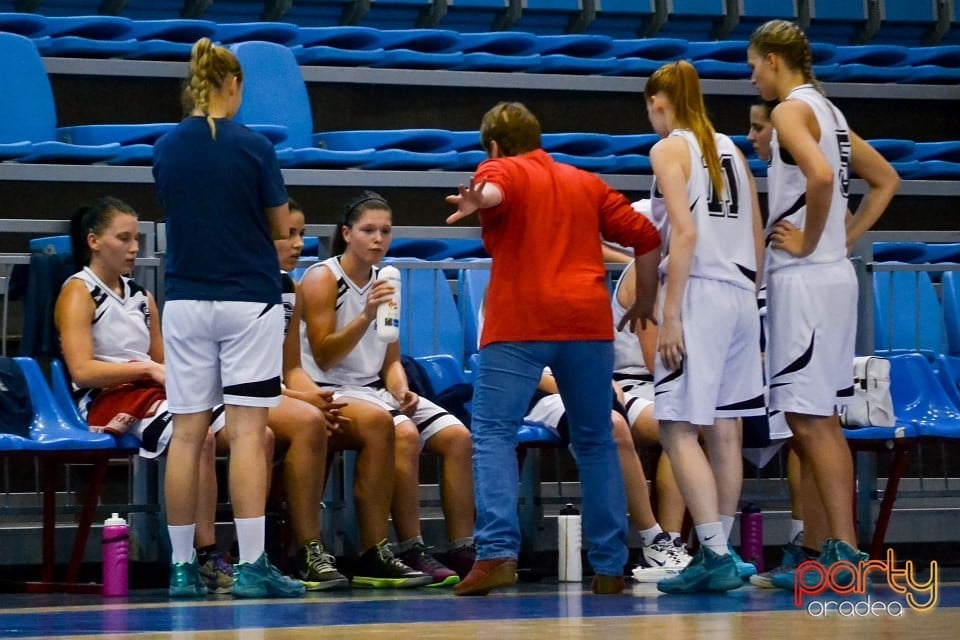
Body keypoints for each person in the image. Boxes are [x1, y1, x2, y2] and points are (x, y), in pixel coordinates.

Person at [444, 101, 661, 596]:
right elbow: (647, 237)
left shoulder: (500, 168)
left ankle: (497, 553)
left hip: (520, 320)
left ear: (495, 145)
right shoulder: (586, 182)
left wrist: (481, 199)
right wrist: (645, 298)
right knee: (596, 441)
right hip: (586, 322)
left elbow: (497, 188)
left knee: (494, 433)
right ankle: (609, 567)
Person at [747, 19, 899, 585]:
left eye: (753, 66)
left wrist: (813, 239)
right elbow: (886, 180)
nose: (752, 78)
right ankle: (813, 549)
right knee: (812, 417)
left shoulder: (790, 109)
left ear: (773, 61)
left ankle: (844, 552)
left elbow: (817, 178)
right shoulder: (831, 112)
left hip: (806, 277)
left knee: (811, 421)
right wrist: (844, 236)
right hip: (833, 276)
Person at [152, 37, 304, 598]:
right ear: (233, 85)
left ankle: (180, 567)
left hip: (186, 299)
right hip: (247, 298)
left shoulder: (167, 147)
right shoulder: (255, 146)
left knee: (187, 436)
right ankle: (252, 565)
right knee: (246, 434)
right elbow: (280, 224)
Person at [54, 196, 236, 596]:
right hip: (106, 397)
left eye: (137, 238)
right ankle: (195, 556)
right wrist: (145, 370)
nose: (135, 247)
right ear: (94, 241)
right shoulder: (78, 292)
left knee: (257, 434)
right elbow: (82, 370)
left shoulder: (142, 297)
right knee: (199, 436)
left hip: (151, 390)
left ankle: (257, 551)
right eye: (124, 238)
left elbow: (163, 362)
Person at [298, 191, 475, 588]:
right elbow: (325, 355)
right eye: (368, 230)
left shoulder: (386, 279)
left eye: (385, 231)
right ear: (346, 234)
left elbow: (391, 358)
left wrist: (401, 389)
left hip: (375, 388)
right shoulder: (322, 278)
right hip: (330, 388)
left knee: (458, 437)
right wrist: (365, 314)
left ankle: (464, 548)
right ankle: (408, 546)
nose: (378, 239)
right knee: (405, 433)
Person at [640, 61, 766, 594]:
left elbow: (684, 233)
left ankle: (712, 552)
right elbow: (757, 240)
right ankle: (725, 549)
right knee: (725, 428)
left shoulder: (669, 148)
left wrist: (671, 315)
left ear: (659, 103)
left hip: (700, 291)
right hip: (742, 293)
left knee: (676, 427)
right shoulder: (733, 151)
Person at [609, 253, 692, 578]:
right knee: (675, 424)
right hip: (631, 383)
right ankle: (664, 544)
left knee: (726, 422)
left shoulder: (700, 271)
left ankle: (710, 545)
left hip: (677, 382)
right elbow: (654, 358)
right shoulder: (646, 273)